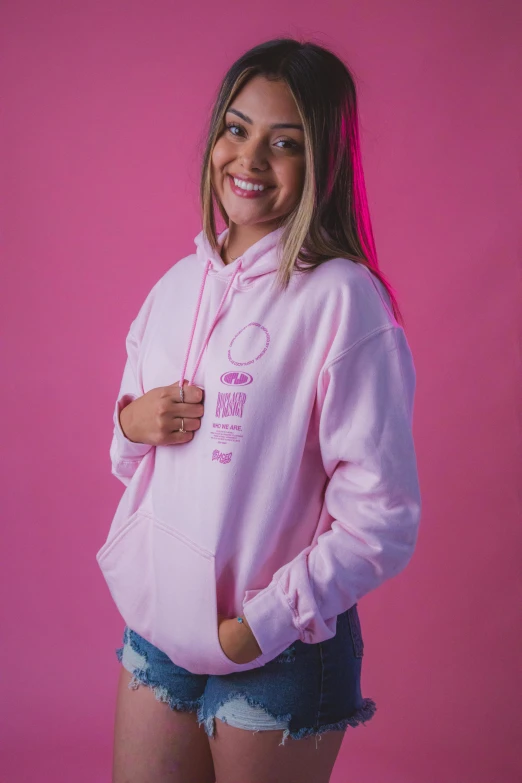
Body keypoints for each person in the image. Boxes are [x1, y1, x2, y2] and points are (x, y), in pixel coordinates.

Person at [96, 37, 422, 783]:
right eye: (236, 130)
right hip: (157, 630)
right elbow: (129, 462)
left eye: (286, 143)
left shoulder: (343, 299)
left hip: (276, 649)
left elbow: (384, 517)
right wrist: (129, 423)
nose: (249, 160)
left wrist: (261, 626)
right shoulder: (177, 285)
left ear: (324, 164)